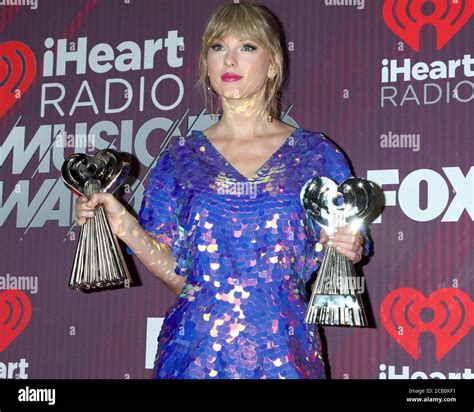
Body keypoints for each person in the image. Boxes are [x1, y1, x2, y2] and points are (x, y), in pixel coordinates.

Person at [75, 2, 369, 379]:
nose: (229, 60)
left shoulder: (315, 155)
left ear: (274, 64)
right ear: (206, 63)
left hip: (285, 353)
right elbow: (183, 280)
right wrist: (123, 225)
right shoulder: (180, 159)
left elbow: (346, 246)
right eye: (218, 47)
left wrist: (349, 246)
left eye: (247, 47)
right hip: (192, 357)